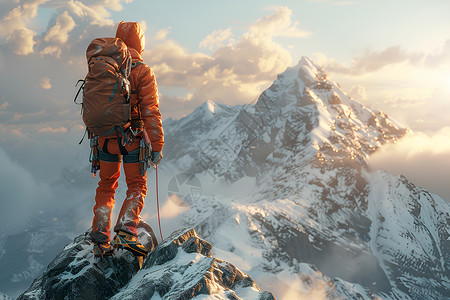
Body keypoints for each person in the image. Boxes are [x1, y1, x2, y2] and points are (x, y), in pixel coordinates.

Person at [90, 21, 164, 257]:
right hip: (132, 138)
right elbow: (150, 110)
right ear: (139, 42)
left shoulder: (102, 66)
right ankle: (125, 231)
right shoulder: (143, 70)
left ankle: (101, 236)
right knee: (136, 185)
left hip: (104, 138)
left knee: (106, 185)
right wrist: (157, 145)